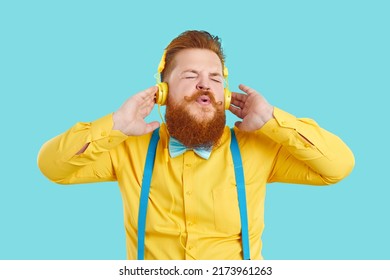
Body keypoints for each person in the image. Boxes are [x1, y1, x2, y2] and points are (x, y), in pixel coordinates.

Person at [37, 30, 355, 260]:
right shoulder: (127, 148)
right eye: (191, 75)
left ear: (225, 95)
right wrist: (116, 125)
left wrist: (273, 119)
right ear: (162, 92)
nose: (205, 83)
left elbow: (338, 166)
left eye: (216, 78)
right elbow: (53, 166)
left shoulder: (258, 148)